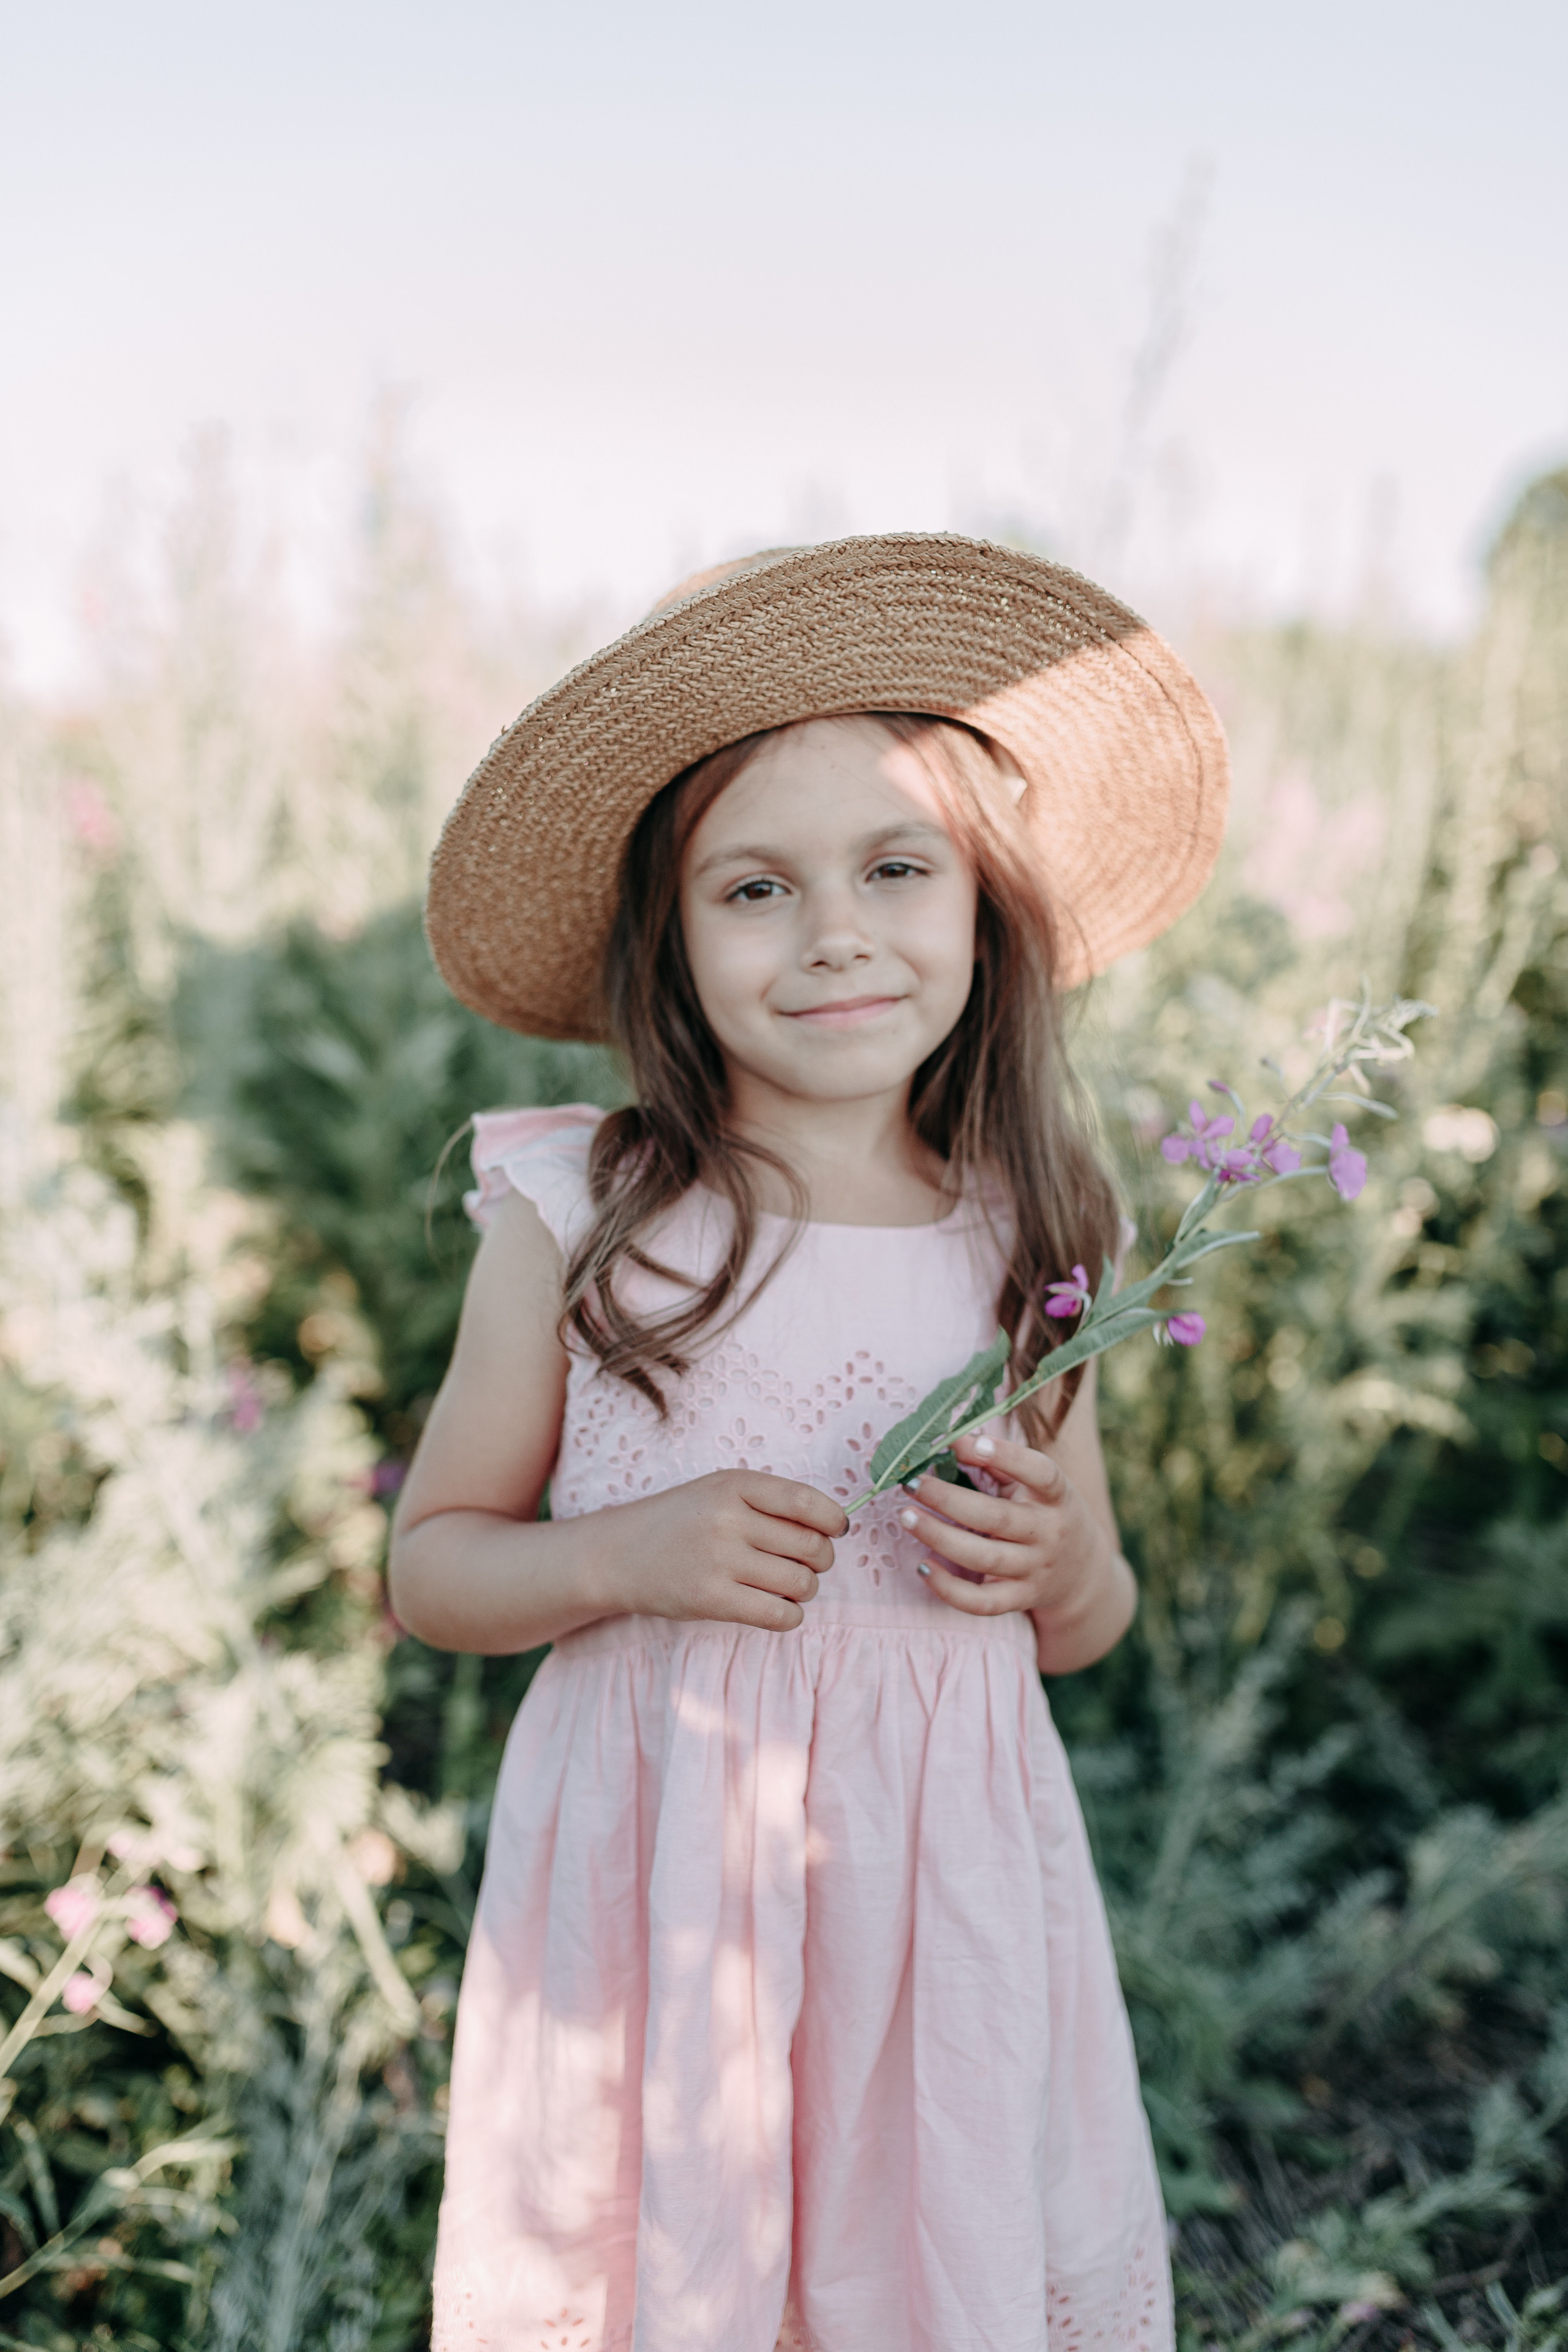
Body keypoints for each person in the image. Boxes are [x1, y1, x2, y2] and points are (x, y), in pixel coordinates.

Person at [393, 535, 1229, 2352]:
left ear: (984, 909)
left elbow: (1083, 1616)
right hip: (662, 1901)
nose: (837, 930)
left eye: (897, 870)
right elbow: (435, 1563)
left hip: (935, 1910)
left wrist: (1060, 1568)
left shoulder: (1035, 1228)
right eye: (755, 888)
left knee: (918, 2262)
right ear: (671, 945)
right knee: (671, 2272)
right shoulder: (584, 1209)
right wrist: (620, 1556)